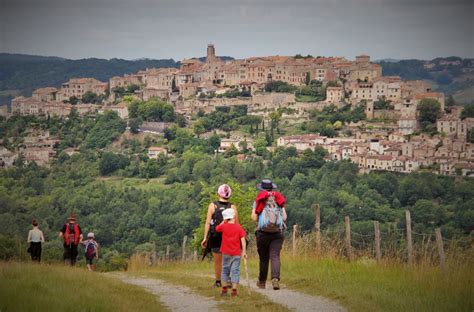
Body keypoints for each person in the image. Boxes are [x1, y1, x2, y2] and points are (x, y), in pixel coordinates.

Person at [251, 179, 287, 290]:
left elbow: (254, 217)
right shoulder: (278, 199)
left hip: (262, 234)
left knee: (264, 258)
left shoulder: (259, 200)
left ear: (261, 189)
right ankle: (275, 279)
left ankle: (262, 282)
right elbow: (284, 217)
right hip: (277, 233)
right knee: (275, 256)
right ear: (272, 188)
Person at [201, 184, 239, 288]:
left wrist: (205, 237)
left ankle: (218, 282)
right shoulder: (233, 207)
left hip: (216, 237)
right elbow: (237, 224)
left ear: (218, 193)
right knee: (230, 259)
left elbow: (208, 222)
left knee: (218, 261)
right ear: (229, 195)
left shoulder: (212, 206)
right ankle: (229, 280)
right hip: (230, 237)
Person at [216, 208, 247, 297]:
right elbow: (243, 239)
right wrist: (244, 251)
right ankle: (234, 291)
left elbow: (217, 228)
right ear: (233, 216)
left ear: (225, 218)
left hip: (225, 253)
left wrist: (223, 221)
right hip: (236, 253)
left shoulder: (224, 226)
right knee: (235, 271)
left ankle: (224, 290)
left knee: (225, 270)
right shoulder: (238, 227)